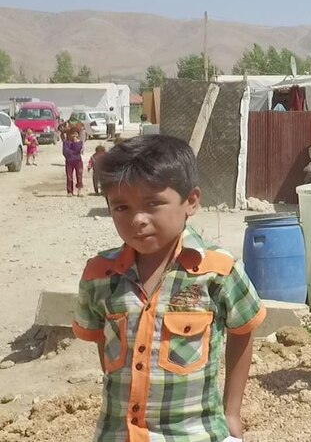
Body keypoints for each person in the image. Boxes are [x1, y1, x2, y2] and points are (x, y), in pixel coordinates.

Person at [72, 135, 266, 442]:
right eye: (121, 207)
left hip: (195, 434)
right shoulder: (99, 276)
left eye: (153, 203)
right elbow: (104, 343)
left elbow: (243, 328)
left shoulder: (218, 270)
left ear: (191, 201)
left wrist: (231, 412)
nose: (138, 219)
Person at [63, 130, 85, 197]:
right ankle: (70, 191)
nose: (74, 136)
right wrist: (72, 153)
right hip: (69, 161)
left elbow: (78, 150)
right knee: (69, 177)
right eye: (73, 134)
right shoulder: (66, 142)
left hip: (78, 161)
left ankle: (79, 191)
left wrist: (75, 143)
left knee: (79, 175)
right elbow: (65, 151)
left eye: (76, 134)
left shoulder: (79, 142)